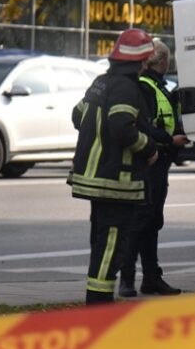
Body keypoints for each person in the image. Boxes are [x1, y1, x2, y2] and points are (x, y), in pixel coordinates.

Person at [68, 28, 163, 304]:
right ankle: (99, 306)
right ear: (140, 61)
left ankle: (99, 301)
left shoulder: (101, 82)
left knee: (102, 244)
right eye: (145, 60)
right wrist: (149, 148)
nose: (146, 65)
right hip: (114, 182)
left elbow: (77, 116)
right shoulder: (127, 88)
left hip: (95, 179)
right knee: (111, 246)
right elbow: (121, 126)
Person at [120, 38, 188, 298]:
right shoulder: (146, 86)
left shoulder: (157, 86)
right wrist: (170, 140)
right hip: (150, 160)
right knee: (141, 222)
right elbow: (145, 125)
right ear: (163, 60)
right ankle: (128, 279)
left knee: (151, 221)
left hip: (159, 160)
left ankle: (150, 278)